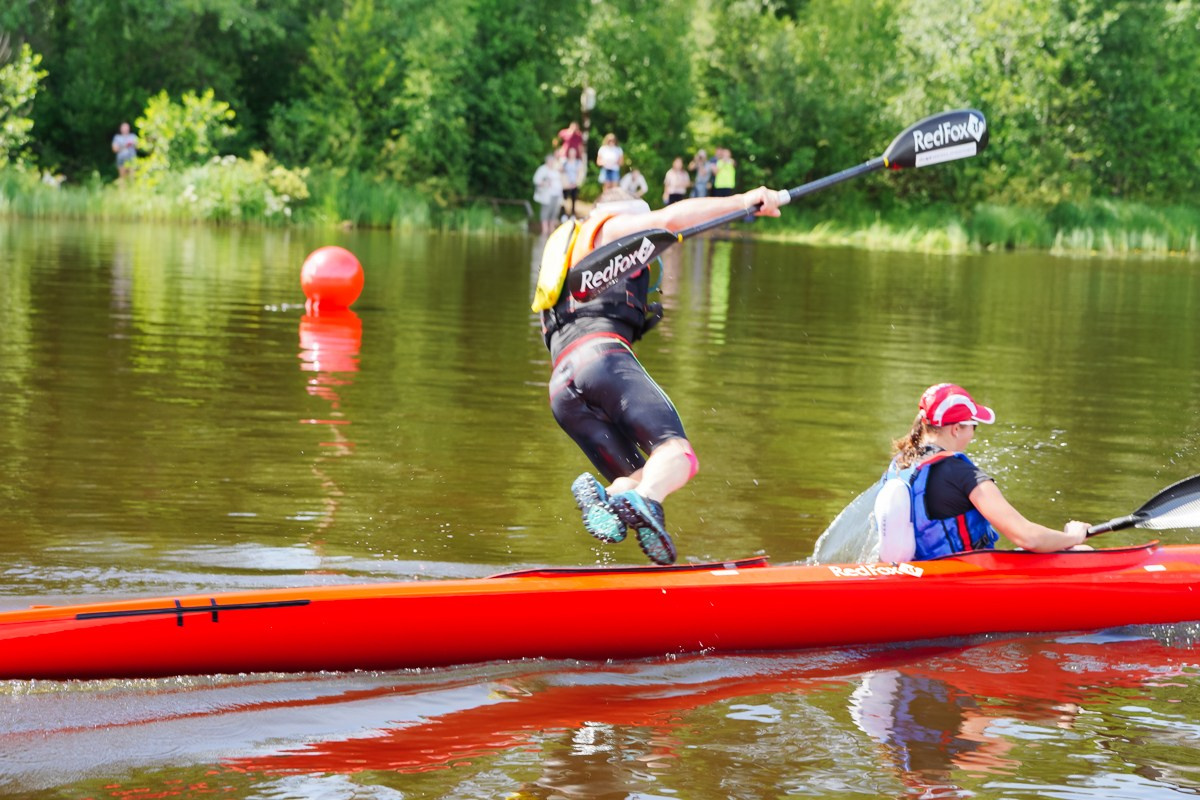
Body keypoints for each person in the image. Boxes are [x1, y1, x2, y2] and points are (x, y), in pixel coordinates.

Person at [531, 185, 786, 564]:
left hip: (562, 388)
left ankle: (612, 498)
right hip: (601, 359)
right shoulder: (611, 226)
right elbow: (668, 220)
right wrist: (744, 202)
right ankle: (643, 501)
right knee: (678, 455)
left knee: (645, 472)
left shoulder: (565, 252)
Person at [873, 383, 1091, 561]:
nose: (973, 435)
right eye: (973, 426)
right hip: (965, 583)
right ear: (956, 429)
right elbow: (1028, 538)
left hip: (924, 575)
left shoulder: (901, 464)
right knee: (1082, 555)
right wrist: (1071, 536)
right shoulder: (961, 473)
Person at [532, 153, 564, 234]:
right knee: (545, 211)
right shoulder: (542, 169)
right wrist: (545, 183)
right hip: (547, 194)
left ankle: (551, 227)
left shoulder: (555, 169)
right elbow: (536, 180)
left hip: (556, 194)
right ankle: (545, 228)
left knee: (554, 211)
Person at [560, 146, 585, 218]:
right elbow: (561, 172)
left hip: (574, 184)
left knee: (573, 200)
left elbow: (580, 173)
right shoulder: (565, 162)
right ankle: (564, 214)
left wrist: (576, 183)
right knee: (564, 200)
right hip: (566, 184)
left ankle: (572, 214)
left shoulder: (578, 162)